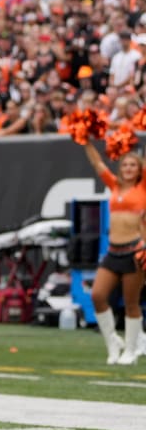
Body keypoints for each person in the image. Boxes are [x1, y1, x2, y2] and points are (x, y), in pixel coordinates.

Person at [77, 138, 144, 364]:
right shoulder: (114, 185)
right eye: (125, 165)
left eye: (133, 165)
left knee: (131, 302)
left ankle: (131, 351)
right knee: (97, 295)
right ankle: (113, 343)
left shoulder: (143, 187)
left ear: (140, 169)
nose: (128, 169)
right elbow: (98, 164)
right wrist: (84, 139)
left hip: (135, 250)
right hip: (112, 251)